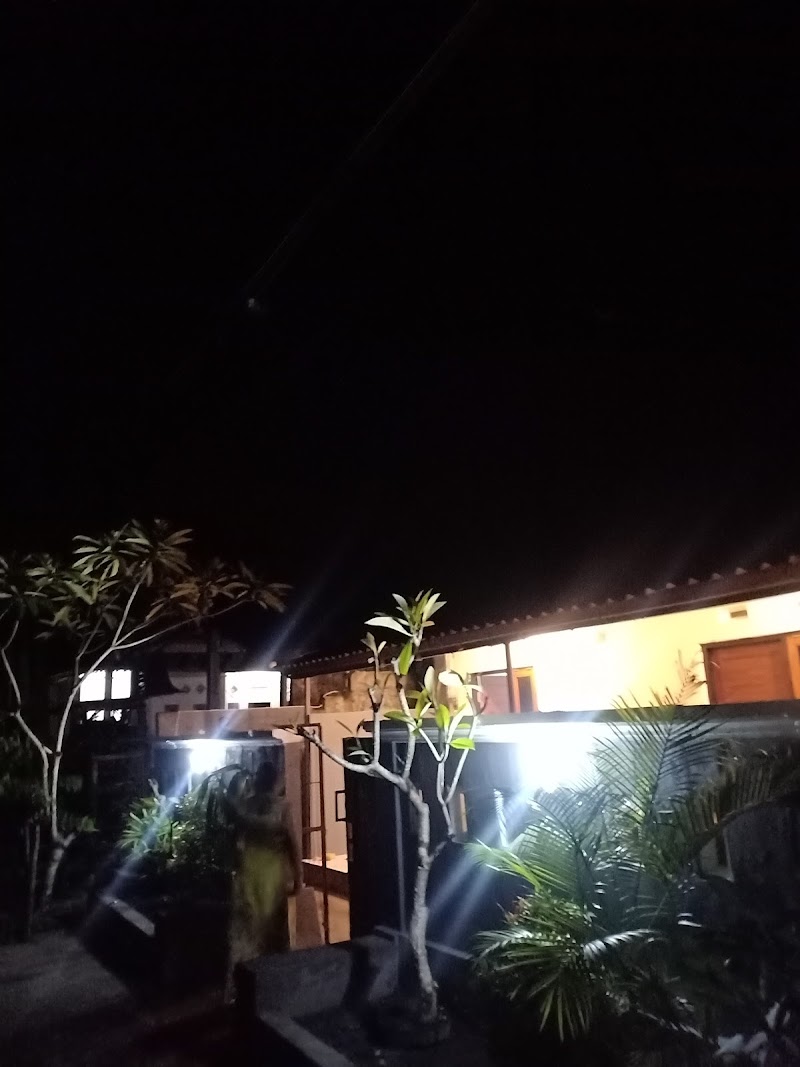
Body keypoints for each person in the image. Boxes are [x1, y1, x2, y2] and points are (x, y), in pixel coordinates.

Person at [225, 756, 303, 1001]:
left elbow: (235, 841)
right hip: (268, 876)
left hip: (252, 875)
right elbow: (292, 844)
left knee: (250, 930)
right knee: (267, 930)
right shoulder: (280, 807)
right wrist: (298, 878)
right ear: (275, 781)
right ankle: (268, 987)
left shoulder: (246, 807)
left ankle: (243, 988)